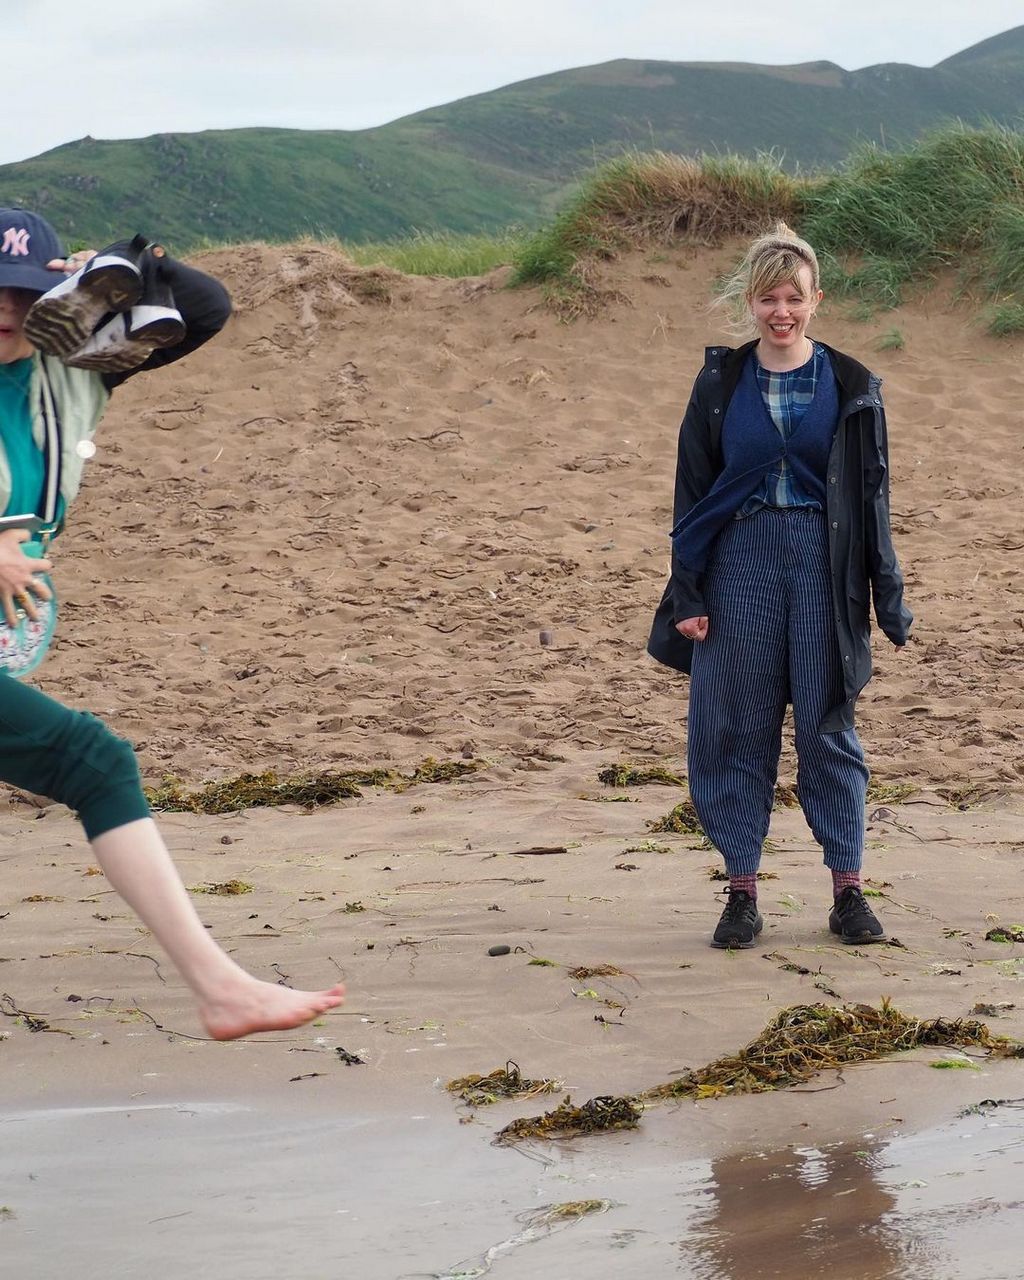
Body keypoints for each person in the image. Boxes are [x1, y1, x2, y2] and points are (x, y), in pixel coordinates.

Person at [0, 208, 344, 1036]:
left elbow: (208, 308)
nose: (4, 314)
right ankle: (220, 988)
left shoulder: (76, 365)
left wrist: (113, 265)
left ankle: (222, 988)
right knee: (94, 760)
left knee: (91, 763)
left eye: (18, 296)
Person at [648, 222, 912, 950]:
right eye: (768, 298)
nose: (781, 311)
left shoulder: (853, 384)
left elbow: (872, 495)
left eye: (793, 297)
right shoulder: (720, 383)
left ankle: (848, 892)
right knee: (734, 727)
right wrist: (689, 595)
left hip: (825, 567)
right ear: (751, 303)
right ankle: (741, 892)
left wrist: (885, 594)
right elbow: (691, 493)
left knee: (830, 728)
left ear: (815, 299)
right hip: (740, 564)